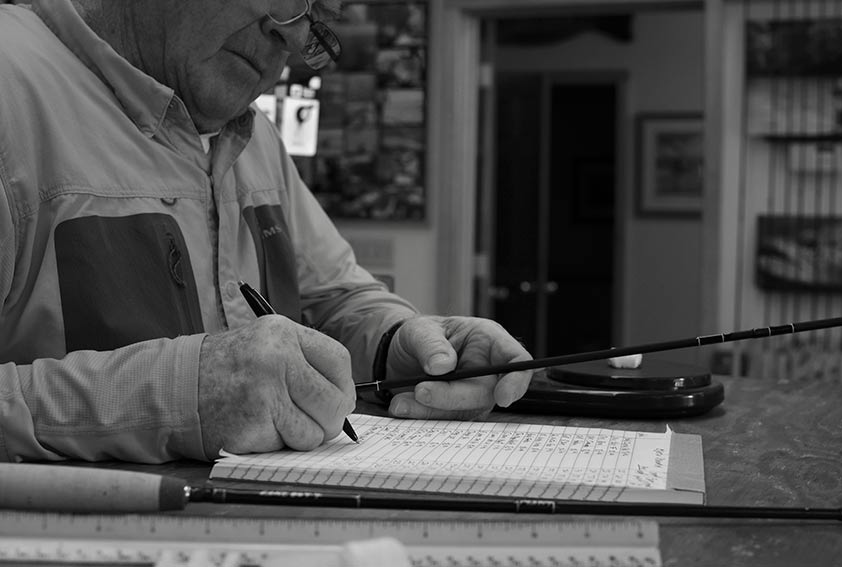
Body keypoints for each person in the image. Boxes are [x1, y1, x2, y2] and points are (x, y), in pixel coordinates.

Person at [0, 0, 533, 463]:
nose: (296, 37)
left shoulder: (252, 135)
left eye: (318, 20)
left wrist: (400, 344)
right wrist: (177, 397)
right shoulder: (11, 86)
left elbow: (334, 297)